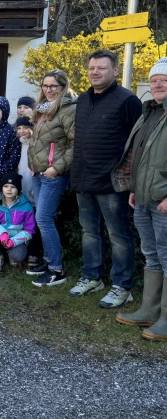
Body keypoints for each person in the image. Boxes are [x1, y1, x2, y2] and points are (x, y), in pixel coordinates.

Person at [70, 50, 142, 308]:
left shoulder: (128, 100)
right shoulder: (83, 99)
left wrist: (129, 178)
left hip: (112, 182)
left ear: (114, 70)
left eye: (101, 68)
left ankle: (122, 286)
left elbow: (138, 143)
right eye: (91, 68)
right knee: (89, 231)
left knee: (119, 235)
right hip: (84, 180)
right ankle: (92, 277)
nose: (95, 72)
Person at [113, 58, 167, 339]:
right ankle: (149, 311)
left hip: (163, 200)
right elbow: (139, 155)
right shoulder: (149, 112)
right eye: (154, 80)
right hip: (144, 197)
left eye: (164, 80)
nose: (158, 84)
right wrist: (133, 186)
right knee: (152, 254)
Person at [26, 69, 76, 287]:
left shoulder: (68, 110)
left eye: (53, 86)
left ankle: (57, 269)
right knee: (44, 218)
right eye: (45, 86)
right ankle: (48, 261)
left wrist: (56, 168)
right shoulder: (43, 110)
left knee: (43, 219)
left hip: (53, 175)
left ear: (63, 87)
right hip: (38, 172)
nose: (48, 90)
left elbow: (75, 145)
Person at [0, 173, 35, 272]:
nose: (9, 189)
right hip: (1, 235)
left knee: (17, 258)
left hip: (17, 236)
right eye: (6, 186)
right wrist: (3, 233)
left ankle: (10, 250)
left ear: (18, 189)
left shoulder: (27, 207)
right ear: (2, 188)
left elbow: (29, 231)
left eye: (13, 187)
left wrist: (13, 241)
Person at [15, 117, 35, 204]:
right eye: (19, 128)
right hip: (21, 172)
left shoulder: (35, 142)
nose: (22, 131)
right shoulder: (18, 142)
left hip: (32, 173)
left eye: (25, 128)